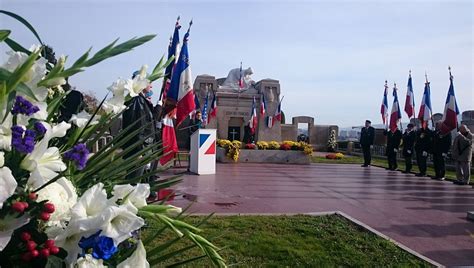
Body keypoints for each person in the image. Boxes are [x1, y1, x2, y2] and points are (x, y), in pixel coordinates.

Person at [121, 71, 157, 180]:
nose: (151, 86)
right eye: (149, 82)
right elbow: (137, 127)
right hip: (139, 149)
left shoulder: (140, 100)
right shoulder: (136, 101)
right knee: (133, 182)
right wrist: (139, 151)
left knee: (139, 182)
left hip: (142, 147)